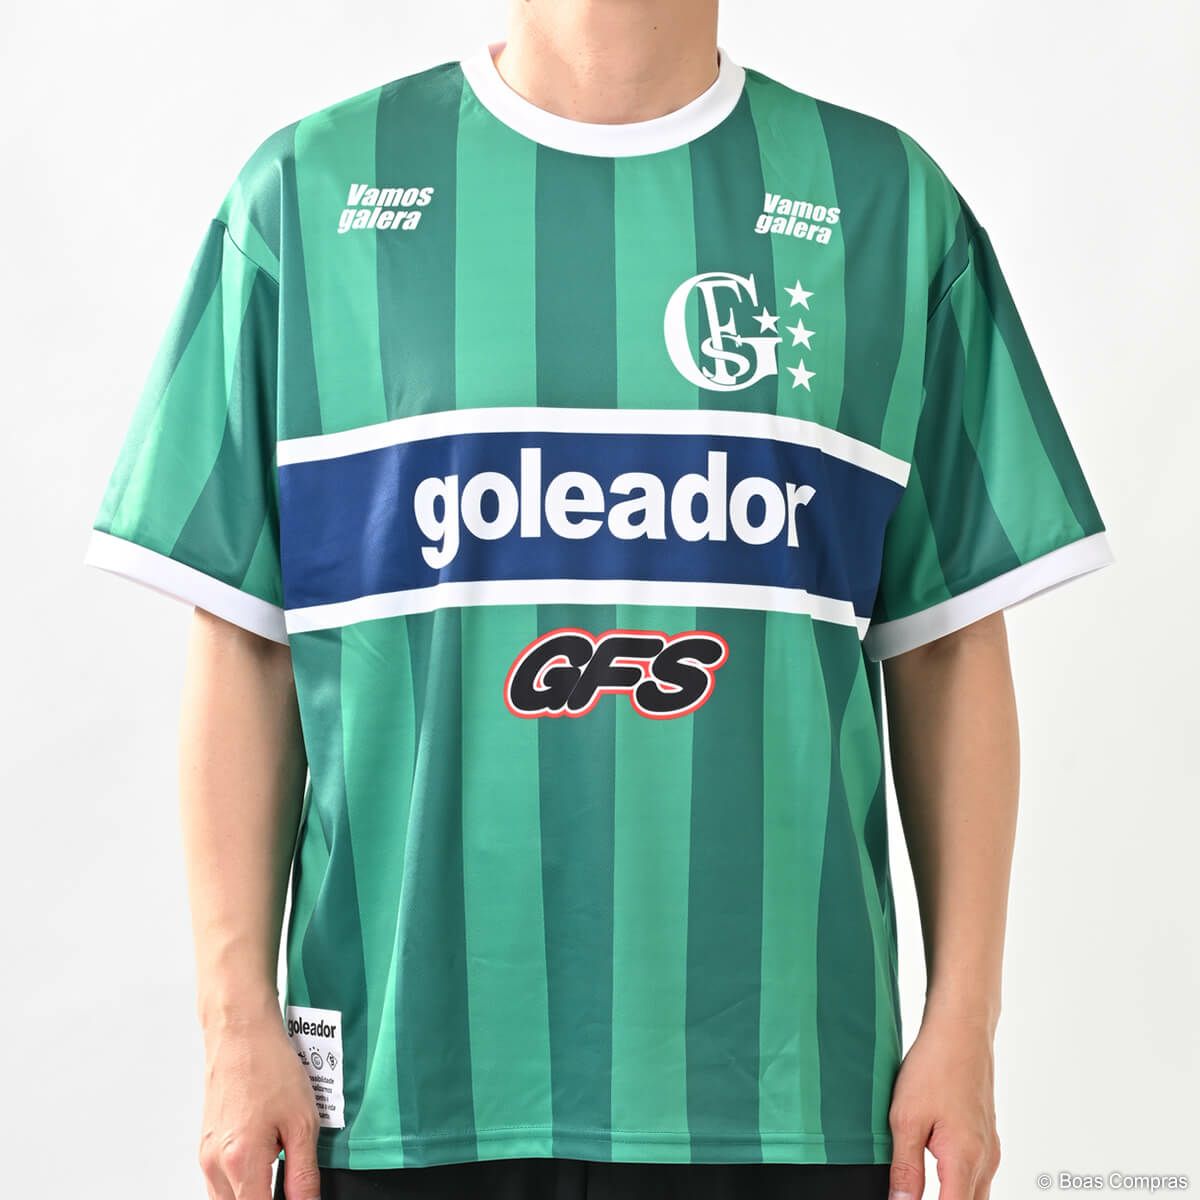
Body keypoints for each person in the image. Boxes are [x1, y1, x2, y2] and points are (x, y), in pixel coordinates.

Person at [84, 1, 1113, 1198]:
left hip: (788, 1096)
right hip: (395, 1094)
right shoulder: (309, 198)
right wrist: (233, 1023)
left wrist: (964, 1024)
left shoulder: (885, 203)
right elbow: (249, 639)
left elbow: (943, 646)